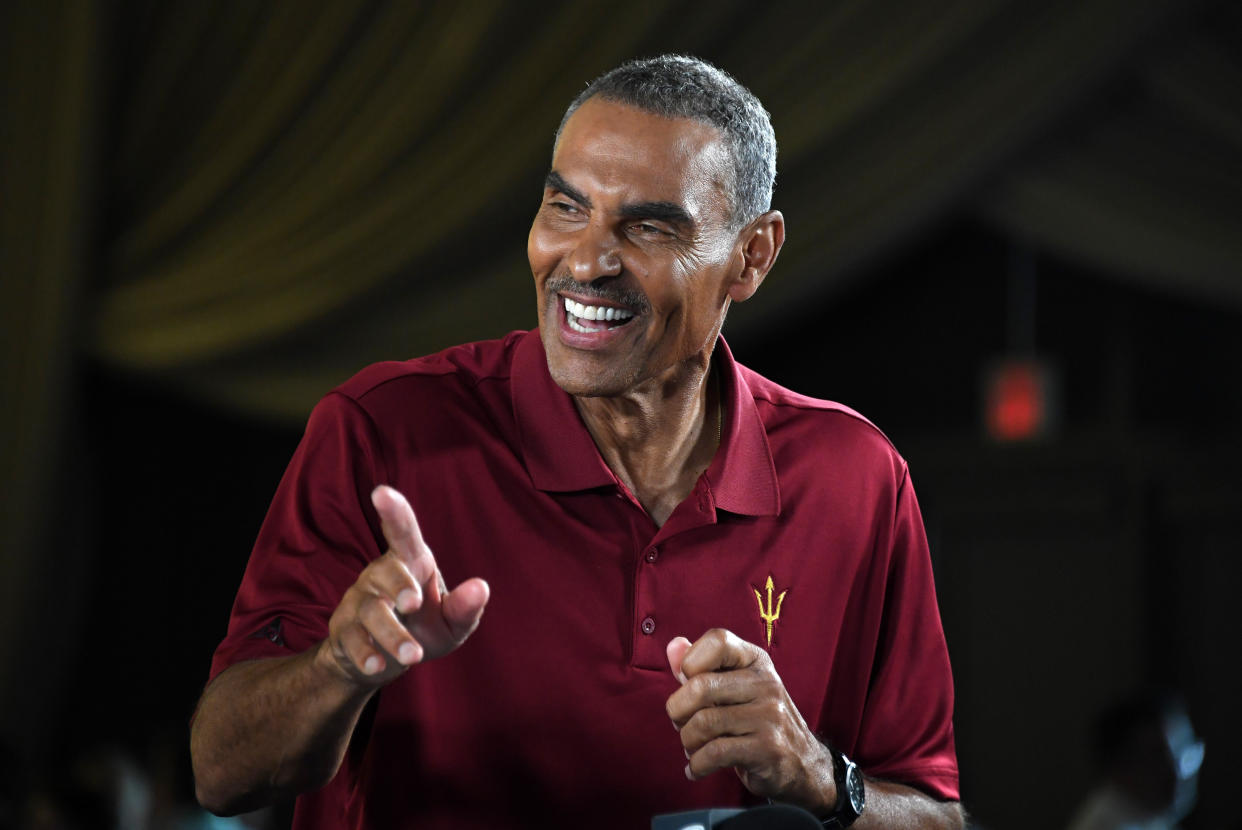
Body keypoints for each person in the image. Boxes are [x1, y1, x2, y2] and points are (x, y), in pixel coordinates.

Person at [190, 54, 963, 829]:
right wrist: (340, 670)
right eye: (566, 209)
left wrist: (821, 775)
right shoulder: (383, 430)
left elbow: (935, 816)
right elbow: (223, 774)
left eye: (650, 227)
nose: (586, 262)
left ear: (752, 257)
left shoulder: (856, 478)